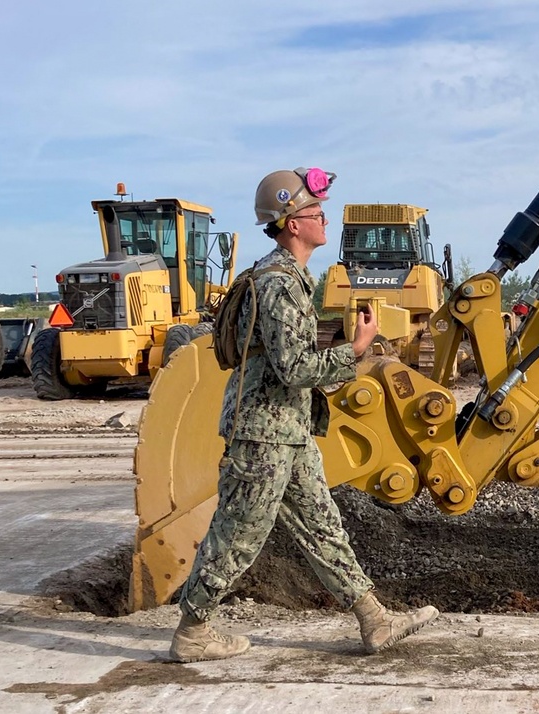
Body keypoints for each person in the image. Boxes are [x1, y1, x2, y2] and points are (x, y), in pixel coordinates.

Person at [170, 167, 439, 663]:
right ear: (292, 222)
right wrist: (355, 350)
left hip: (287, 431)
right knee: (238, 536)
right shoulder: (277, 283)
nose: (325, 218)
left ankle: (374, 619)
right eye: (316, 212)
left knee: (322, 527)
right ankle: (192, 632)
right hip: (262, 434)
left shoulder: (292, 278)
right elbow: (295, 366)